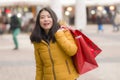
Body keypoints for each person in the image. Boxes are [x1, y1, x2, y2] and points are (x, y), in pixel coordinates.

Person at [30, 7, 79, 80]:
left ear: (53, 19)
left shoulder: (64, 32)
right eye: (42, 17)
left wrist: (59, 34)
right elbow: (39, 66)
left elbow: (72, 51)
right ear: (39, 21)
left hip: (68, 78)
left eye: (49, 17)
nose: (46, 19)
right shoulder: (38, 40)